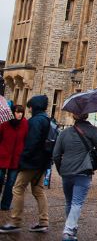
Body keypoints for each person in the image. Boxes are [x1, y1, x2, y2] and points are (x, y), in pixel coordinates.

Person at [0, 95, 51, 234]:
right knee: (38, 191)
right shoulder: (47, 120)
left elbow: (31, 144)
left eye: (29, 107)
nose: (28, 110)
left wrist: (22, 160)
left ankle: (15, 221)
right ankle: (43, 222)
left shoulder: (35, 121)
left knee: (17, 189)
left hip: (31, 163)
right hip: (42, 163)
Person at [52, 112, 97, 241]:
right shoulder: (93, 130)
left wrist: (60, 169)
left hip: (66, 171)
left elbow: (56, 155)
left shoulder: (64, 132)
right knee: (77, 202)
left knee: (69, 202)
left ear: (73, 116)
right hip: (83, 170)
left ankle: (72, 230)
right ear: (86, 116)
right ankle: (68, 231)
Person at [0, 106, 27, 211]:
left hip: (16, 158)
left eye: (21, 112)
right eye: (17, 112)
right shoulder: (5, 123)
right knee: (0, 178)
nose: (19, 114)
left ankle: (5, 205)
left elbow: (25, 139)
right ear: (12, 113)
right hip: (3, 156)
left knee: (11, 182)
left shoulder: (24, 123)